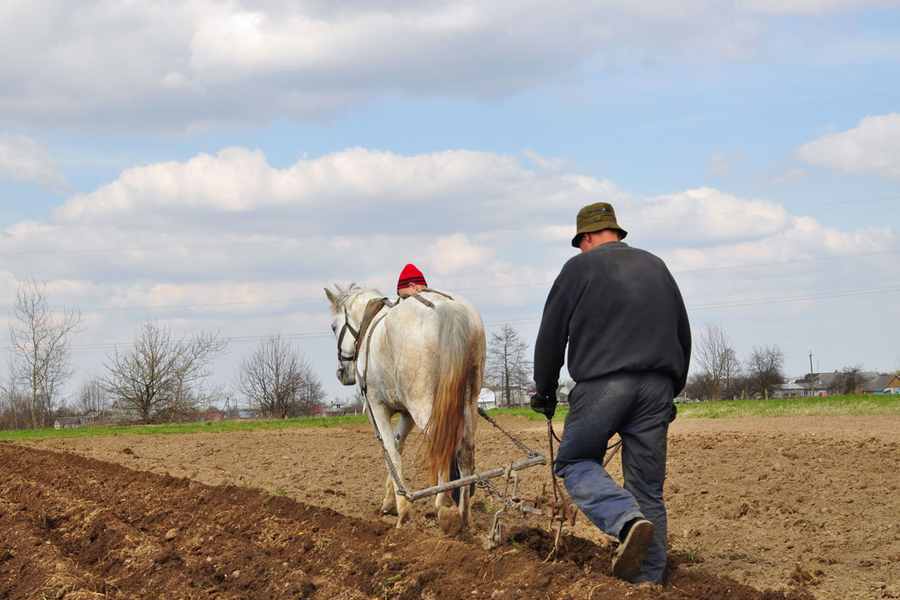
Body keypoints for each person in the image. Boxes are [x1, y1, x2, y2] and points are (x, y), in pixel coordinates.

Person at [530, 202, 691, 584]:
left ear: (586, 238)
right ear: (615, 232)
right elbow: (682, 332)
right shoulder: (656, 265)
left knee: (575, 462)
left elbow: (551, 336)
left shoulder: (578, 268)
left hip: (604, 384)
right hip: (657, 387)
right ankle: (649, 581)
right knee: (648, 488)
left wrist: (546, 391)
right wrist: (671, 390)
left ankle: (624, 519)